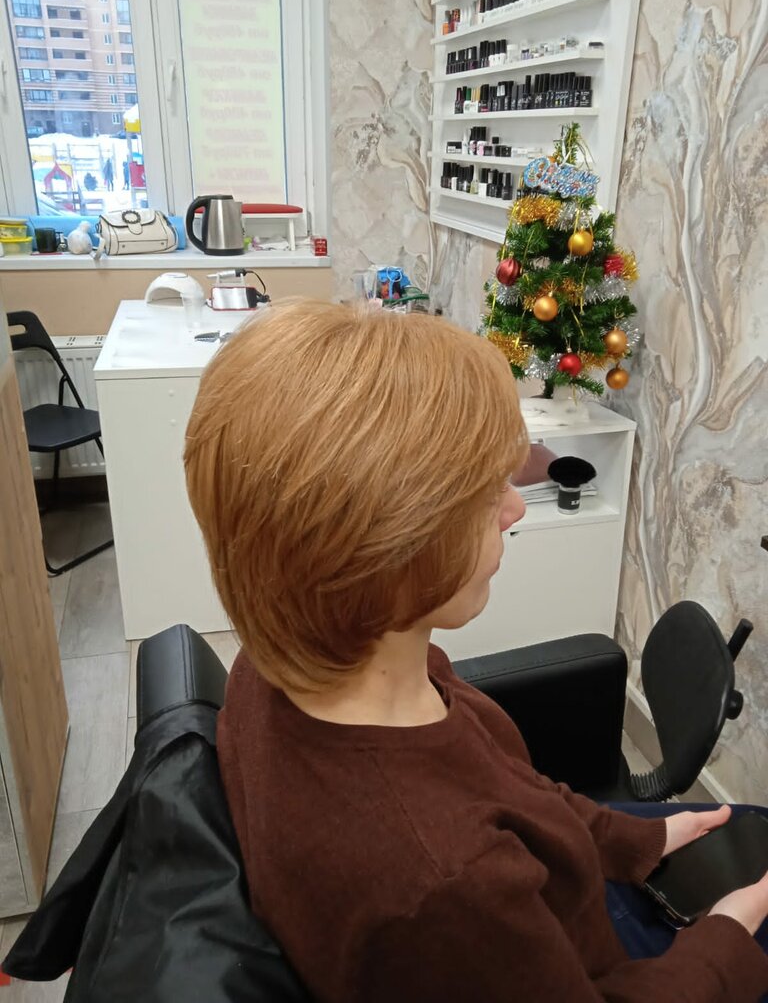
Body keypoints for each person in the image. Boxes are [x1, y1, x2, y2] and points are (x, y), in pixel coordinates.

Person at [184, 298, 768, 1002]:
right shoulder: (440, 887)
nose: (515, 508)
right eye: (483, 496)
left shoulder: (296, 663)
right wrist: (727, 939)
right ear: (381, 546)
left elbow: (508, 792)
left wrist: (631, 840)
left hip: (562, 890)